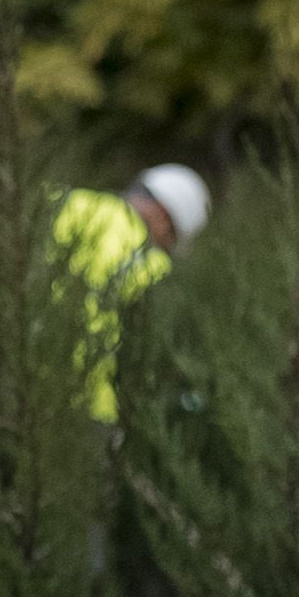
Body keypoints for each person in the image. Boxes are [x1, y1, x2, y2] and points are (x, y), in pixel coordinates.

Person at [54, 162, 211, 421]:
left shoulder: (67, 202)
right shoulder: (149, 263)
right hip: (82, 405)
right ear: (163, 216)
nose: (165, 248)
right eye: (170, 238)